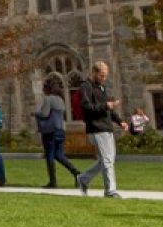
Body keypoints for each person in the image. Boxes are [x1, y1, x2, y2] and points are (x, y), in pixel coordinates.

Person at [74, 61, 126, 199]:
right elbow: (86, 107)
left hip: (106, 127)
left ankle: (83, 179)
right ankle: (110, 191)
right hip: (96, 128)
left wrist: (120, 122)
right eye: (102, 75)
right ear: (95, 72)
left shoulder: (101, 87)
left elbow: (108, 109)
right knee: (107, 160)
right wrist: (105, 106)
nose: (104, 78)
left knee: (107, 160)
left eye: (105, 75)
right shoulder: (86, 86)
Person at [35, 78, 82, 188]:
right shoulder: (61, 99)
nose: (42, 89)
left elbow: (45, 114)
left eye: (44, 87)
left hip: (50, 131)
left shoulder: (48, 99)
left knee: (50, 155)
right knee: (59, 154)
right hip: (60, 130)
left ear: (47, 88)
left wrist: (36, 113)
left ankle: (53, 181)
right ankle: (76, 173)